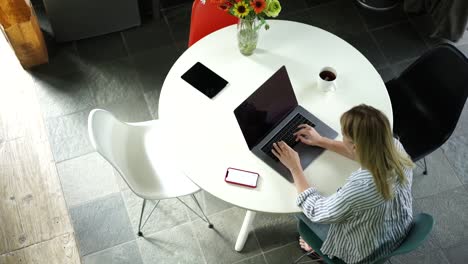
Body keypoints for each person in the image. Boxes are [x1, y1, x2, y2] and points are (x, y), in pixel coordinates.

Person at [271, 104, 414, 264]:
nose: (342, 137)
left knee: (293, 205)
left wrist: (295, 167)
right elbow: (362, 151)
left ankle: (317, 248)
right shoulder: (396, 149)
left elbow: (316, 211)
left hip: (364, 250)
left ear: (355, 146)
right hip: (396, 229)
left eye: (344, 135)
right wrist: (321, 141)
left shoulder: (361, 189)